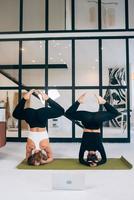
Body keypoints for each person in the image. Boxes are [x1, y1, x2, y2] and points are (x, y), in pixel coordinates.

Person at [65, 93, 121, 167]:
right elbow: (81, 160)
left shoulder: (99, 147)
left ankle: (103, 102)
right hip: (86, 118)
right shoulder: (84, 147)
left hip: (97, 118)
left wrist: (96, 163)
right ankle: (79, 101)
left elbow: (104, 160)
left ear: (96, 155)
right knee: (68, 114)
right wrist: (88, 163)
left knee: (115, 113)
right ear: (87, 155)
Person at [13, 89, 64, 166]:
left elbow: (51, 158)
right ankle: (25, 98)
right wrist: (34, 161)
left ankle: (47, 98)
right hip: (31, 117)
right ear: (32, 156)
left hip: (42, 116)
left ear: (42, 155)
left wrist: (44, 161)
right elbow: (27, 158)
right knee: (16, 114)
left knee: (61, 111)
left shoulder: (45, 146)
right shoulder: (30, 147)